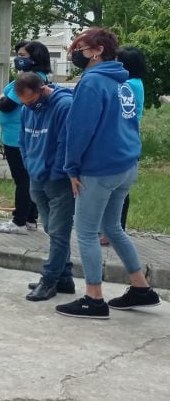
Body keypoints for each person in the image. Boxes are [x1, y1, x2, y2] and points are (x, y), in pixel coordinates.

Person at [55, 28, 159, 319]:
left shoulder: (92, 83)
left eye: (80, 47)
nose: (75, 53)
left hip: (98, 168)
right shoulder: (121, 82)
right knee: (113, 228)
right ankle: (140, 287)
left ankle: (94, 298)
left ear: (97, 50)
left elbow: (78, 130)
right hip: (125, 164)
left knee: (86, 231)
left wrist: (71, 166)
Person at [14, 72, 76, 301]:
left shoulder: (64, 106)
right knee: (51, 228)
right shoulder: (25, 110)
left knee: (59, 232)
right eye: (24, 103)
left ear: (42, 89)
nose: (28, 107)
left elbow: (65, 143)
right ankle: (65, 278)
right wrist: (29, 165)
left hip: (58, 180)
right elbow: (23, 141)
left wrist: (56, 173)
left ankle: (49, 280)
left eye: (31, 101)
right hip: (36, 176)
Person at [0, 41, 52, 235]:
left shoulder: (31, 79)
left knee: (23, 180)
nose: (19, 58)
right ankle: (30, 219)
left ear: (35, 58)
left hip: (19, 138)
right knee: (29, 178)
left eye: (23, 55)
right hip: (17, 135)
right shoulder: (29, 78)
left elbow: (7, 104)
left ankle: (19, 221)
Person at [115, 46, 146, 233]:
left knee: (120, 191)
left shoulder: (129, 85)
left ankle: (117, 228)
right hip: (129, 137)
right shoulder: (135, 82)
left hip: (125, 138)